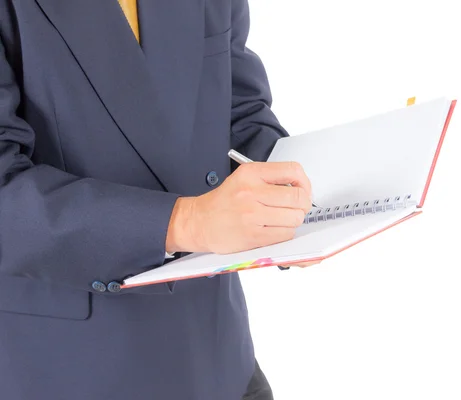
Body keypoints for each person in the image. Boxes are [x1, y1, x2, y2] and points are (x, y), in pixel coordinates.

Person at [0, 1, 316, 399]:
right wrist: (186, 222)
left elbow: (240, 112)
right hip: (69, 367)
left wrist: (292, 202)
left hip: (220, 359)